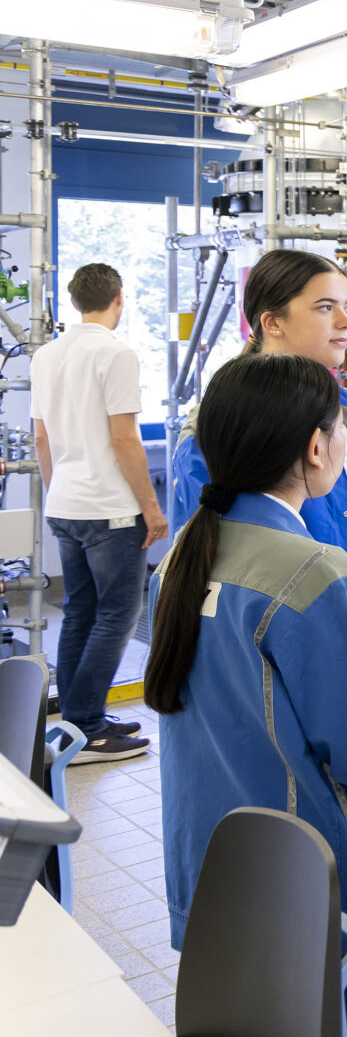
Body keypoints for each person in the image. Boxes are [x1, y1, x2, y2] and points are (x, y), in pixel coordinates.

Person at [145, 353, 347, 1037]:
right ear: (315, 445)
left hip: (216, 861)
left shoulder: (188, 553)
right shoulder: (312, 571)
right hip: (316, 879)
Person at [169, 250, 347, 645]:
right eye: (326, 308)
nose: (346, 322)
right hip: (284, 645)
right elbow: (226, 560)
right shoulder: (219, 426)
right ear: (272, 322)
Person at [30, 262, 167, 764]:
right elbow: (124, 438)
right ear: (119, 298)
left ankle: (75, 720)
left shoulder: (46, 356)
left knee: (80, 613)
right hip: (110, 510)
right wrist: (151, 508)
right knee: (118, 615)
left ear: (73, 301)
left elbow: (42, 438)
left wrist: (59, 492)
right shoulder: (116, 353)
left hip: (65, 503)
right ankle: (87, 728)